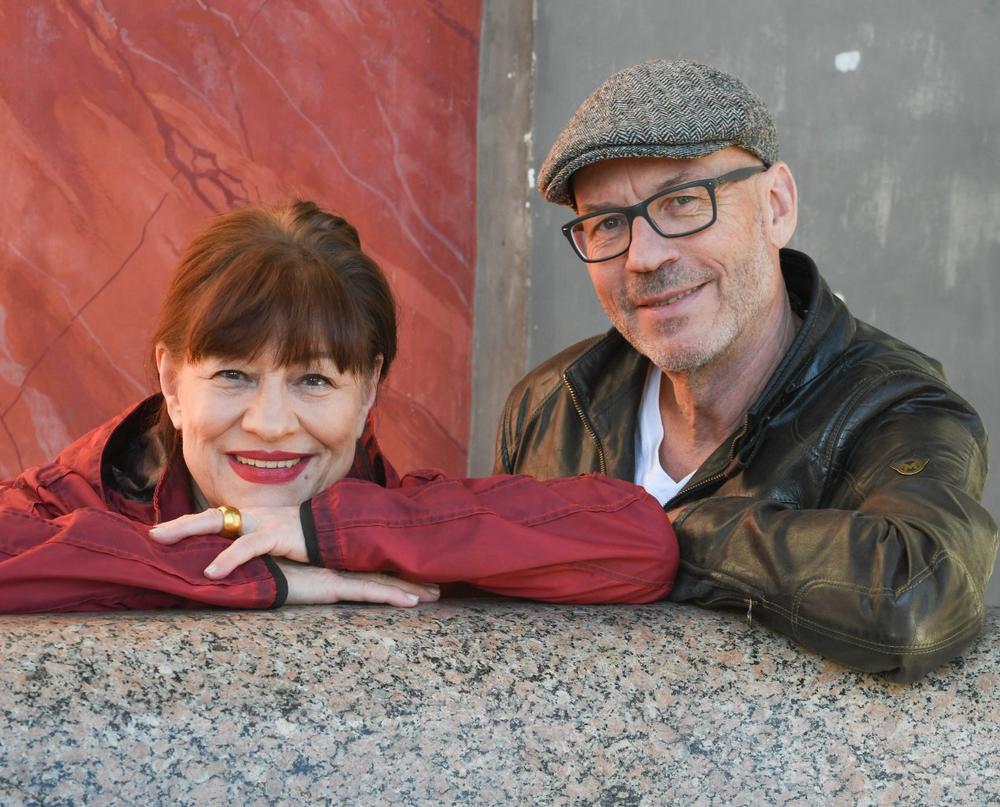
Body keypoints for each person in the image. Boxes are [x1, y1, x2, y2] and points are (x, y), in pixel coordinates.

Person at [495, 59, 998, 681]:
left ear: (776, 207)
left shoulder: (898, 409)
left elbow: (917, 595)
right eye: (607, 224)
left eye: (683, 202)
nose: (644, 257)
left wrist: (655, 535)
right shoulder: (550, 405)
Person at [0, 200, 678, 612]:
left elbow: (638, 543)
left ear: (369, 390)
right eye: (233, 375)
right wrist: (247, 575)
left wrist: (330, 535)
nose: (270, 423)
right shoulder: (75, 499)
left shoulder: (395, 520)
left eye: (314, 381)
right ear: (173, 383)